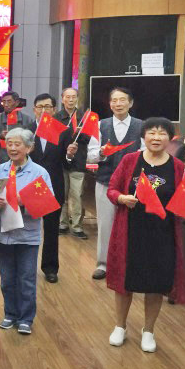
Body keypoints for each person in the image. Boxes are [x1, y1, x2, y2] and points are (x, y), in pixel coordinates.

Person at [105, 117, 185, 353]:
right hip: (131, 232)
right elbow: (112, 189)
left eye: (162, 133)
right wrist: (122, 198)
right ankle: (120, 326)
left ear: (170, 138)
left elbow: (183, 199)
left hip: (162, 235)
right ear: (144, 136)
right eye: (151, 132)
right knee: (125, 282)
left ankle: (149, 331)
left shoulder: (177, 166)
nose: (156, 137)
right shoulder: (130, 160)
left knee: (156, 284)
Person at [0, 127, 53, 335]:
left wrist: (24, 201)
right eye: (9, 144)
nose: (13, 148)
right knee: (7, 279)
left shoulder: (39, 173)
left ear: (29, 148)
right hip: (3, 235)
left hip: (28, 236)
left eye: (17, 144)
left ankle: (26, 318)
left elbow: (48, 204)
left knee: (26, 278)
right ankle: (10, 314)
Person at [87, 87, 143, 280]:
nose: (118, 104)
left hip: (133, 186)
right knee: (105, 224)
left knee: (133, 225)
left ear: (130, 103)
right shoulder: (100, 126)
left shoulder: (142, 126)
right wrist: (102, 152)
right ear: (110, 104)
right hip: (106, 181)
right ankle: (103, 264)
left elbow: (146, 154)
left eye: (122, 100)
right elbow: (91, 156)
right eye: (114, 100)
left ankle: (130, 264)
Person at [30, 93, 73, 283]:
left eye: (48, 107)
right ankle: (27, 266)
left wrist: (70, 155)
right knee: (27, 228)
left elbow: (67, 162)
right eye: (40, 107)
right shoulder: (26, 131)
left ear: (54, 110)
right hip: (30, 186)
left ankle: (50, 268)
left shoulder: (62, 131)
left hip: (53, 185)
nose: (44, 110)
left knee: (51, 230)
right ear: (34, 110)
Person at [54, 87, 89, 240]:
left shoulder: (84, 117)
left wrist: (79, 133)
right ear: (62, 99)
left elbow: (89, 139)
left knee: (77, 195)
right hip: (60, 162)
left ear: (77, 99)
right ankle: (62, 224)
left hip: (78, 162)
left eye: (73, 97)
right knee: (61, 195)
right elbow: (53, 139)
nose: (70, 100)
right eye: (67, 97)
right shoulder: (56, 118)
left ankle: (77, 226)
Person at [0, 91, 36, 165]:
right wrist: (0, 136)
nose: (6, 105)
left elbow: (32, 143)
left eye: (9, 101)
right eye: (3, 102)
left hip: (22, 162)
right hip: (1, 162)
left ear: (17, 102)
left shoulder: (27, 119)